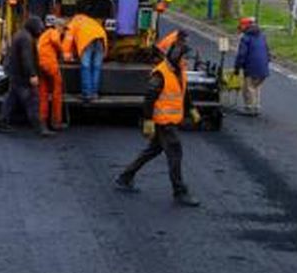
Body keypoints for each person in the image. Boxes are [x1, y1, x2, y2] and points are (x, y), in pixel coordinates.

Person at [113, 51, 202, 206]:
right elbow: (149, 98)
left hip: (170, 121)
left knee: (152, 151)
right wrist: (148, 120)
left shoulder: (178, 71)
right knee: (175, 153)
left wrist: (191, 108)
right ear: (176, 58)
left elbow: (183, 92)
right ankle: (179, 191)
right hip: (164, 122)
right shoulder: (160, 74)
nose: (186, 61)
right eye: (184, 58)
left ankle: (125, 177)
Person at [0, 15, 52, 137]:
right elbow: (27, 59)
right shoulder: (26, 39)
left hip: (15, 73)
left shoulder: (21, 34)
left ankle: (2, 122)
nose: (40, 31)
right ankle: (39, 128)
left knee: (11, 99)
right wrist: (32, 75)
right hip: (22, 76)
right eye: (39, 29)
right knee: (32, 100)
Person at [65, 11, 108, 101]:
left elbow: (68, 40)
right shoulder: (91, 21)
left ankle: (87, 94)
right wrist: (105, 53)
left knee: (86, 67)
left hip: (86, 41)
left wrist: (66, 54)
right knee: (96, 67)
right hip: (100, 39)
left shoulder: (73, 23)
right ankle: (94, 93)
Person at [233, 17, 271, 116]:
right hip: (263, 67)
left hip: (251, 67)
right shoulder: (262, 36)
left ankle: (249, 108)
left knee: (247, 87)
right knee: (256, 86)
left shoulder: (245, 38)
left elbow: (241, 54)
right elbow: (267, 51)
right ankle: (256, 106)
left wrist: (237, 68)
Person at [37, 14, 67, 131]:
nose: (63, 32)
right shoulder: (53, 31)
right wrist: (62, 52)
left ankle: (42, 120)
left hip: (40, 64)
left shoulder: (44, 34)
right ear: (60, 27)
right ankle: (56, 121)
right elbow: (55, 40)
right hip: (49, 63)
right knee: (57, 91)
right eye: (64, 29)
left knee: (43, 93)